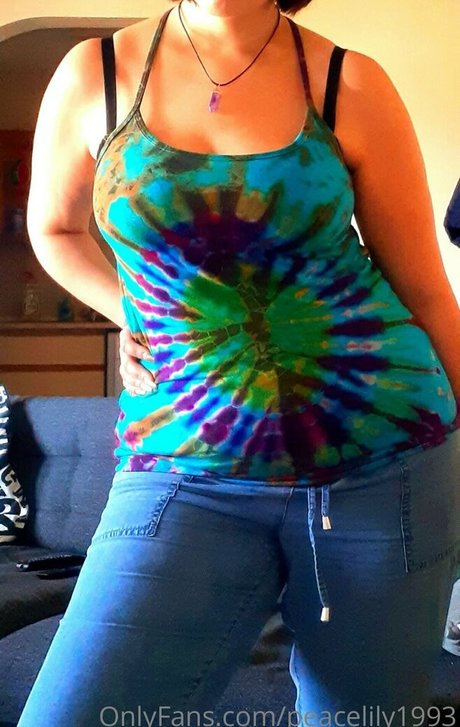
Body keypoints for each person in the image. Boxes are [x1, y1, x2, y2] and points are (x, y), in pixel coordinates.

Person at [19, 0, 460, 724]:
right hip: (180, 465)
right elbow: (53, 228)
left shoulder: (348, 83)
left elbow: (426, 292)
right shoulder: (94, 75)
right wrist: (132, 309)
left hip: (384, 464)